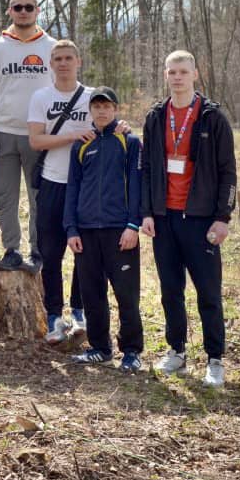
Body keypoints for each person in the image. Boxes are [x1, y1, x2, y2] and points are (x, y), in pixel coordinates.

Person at [140, 51, 236, 389]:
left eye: (183, 71)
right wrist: (147, 212)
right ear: (165, 75)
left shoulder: (213, 118)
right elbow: (146, 170)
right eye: (171, 72)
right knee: (170, 291)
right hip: (164, 219)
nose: (177, 77)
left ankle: (215, 359)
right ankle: (176, 352)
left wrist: (222, 218)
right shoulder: (155, 117)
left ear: (195, 74)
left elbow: (228, 172)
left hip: (201, 220)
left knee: (208, 292)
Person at [64, 87, 144, 372]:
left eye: (107, 106)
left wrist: (133, 225)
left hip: (119, 231)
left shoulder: (129, 141)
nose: (101, 111)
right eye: (96, 106)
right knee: (91, 293)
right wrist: (71, 229)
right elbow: (73, 188)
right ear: (90, 110)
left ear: (116, 108)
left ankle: (132, 351)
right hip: (86, 231)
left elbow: (137, 186)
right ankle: (100, 347)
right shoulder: (82, 144)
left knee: (126, 294)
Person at [0, 0, 56, 273]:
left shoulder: (51, 47)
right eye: (18, 7)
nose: (23, 12)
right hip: (2, 133)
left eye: (29, 7)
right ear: (9, 11)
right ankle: (11, 250)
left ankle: (38, 251)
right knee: (4, 197)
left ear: (37, 11)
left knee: (38, 197)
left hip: (38, 134)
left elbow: (61, 91)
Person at [27, 40, 92, 344]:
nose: (63, 63)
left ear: (78, 61)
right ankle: (55, 317)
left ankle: (80, 312)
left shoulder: (92, 97)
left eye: (68, 58)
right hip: (52, 182)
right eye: (58, 59)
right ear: (50, 64)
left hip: (85, 186)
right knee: (51, 255)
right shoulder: (41, 97)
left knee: (85, 252)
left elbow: (107, 127)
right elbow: (36, 141)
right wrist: (71, 136)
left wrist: (122, 129)